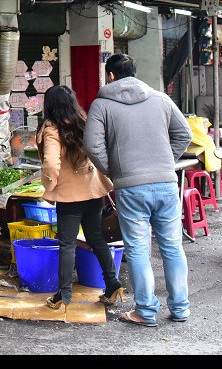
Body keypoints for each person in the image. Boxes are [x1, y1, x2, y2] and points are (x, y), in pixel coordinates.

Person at [84, 53, 192, 327]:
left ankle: (145, 312)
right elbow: (185, 134)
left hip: (131, 187)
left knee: (138, 249)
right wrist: (167, 161)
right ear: (134, 73)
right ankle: (180, 308)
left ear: (110, 76)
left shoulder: (102, 104)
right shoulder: (161, 98)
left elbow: (93, 146)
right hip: (167, 183)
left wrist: (116, 171)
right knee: (172, 247)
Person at [37, 85, 122, 310]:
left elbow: (51, 163)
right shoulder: (84, 123)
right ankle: (113, 284)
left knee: (67, 244)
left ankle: (63, 295)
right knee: (96, 238)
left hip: (69, 196)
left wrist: (48, 185)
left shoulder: (52, 128)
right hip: (93, 192)